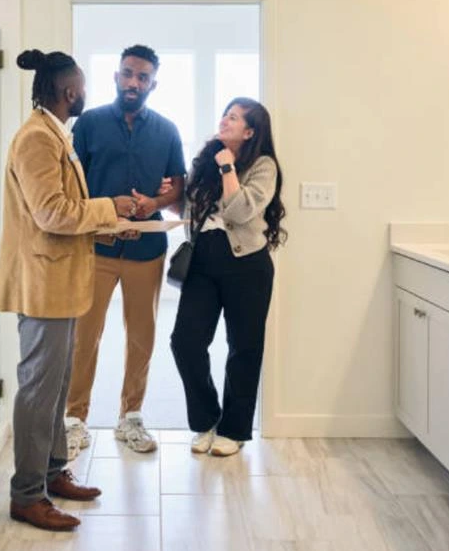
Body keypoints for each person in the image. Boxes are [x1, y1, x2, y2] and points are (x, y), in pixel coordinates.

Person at [0, 49, 138, 531]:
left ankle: (53, 472)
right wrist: (110, 207)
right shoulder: (37, 138)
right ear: (70, 91)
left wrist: (109, 226)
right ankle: (27, 495)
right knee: (39, 390)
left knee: (55, 386)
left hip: (60, 282)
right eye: (83, 87)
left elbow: (64, 213)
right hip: (44, 285)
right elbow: (52, 212)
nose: (86, 94)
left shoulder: (54, 133)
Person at [64, 45, 186, 456]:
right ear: (116, 76)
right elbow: (71, 184)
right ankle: (74, 420)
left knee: (141, 338)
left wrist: (154, 203)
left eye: (143, 77)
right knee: (84, 337)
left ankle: (130, 417)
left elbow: (178, 185)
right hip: (95, 247)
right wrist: (104, 207)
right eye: (128, 73)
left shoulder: (167, 130)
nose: (134, 82)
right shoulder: (89, 124)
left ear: (153, 84)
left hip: (146, 249)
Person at [169, 97, 286, 457]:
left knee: (244, 348)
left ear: (249, 132)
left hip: (247, 265)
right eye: (225, 115)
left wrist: (227, 167)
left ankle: (234, 430)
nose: (224, 121)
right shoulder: (205, 158)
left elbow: (240, 210)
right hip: (203, 261)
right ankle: (206, 421)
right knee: (185, 342)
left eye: (233, 118)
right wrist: (165, 197)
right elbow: (190, 207)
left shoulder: (263, 165)